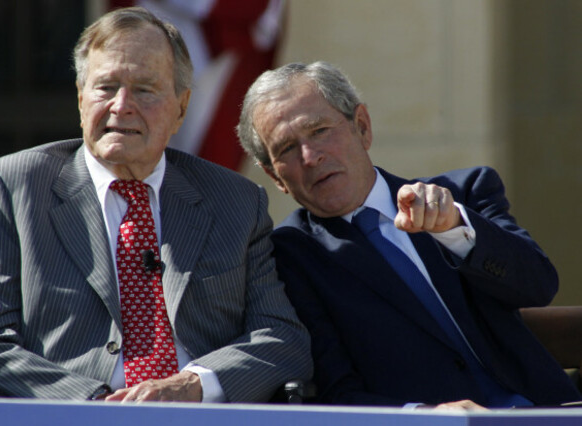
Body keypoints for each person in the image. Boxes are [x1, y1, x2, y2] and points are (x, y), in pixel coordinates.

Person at [0, 7, 311, 403]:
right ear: (80, 97)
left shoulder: (235, 201)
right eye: (105, 87)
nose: (122, 105)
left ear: (181, 107)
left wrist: (193, 385)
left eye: (144, 89)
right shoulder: (9, 188)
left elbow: (281, 339)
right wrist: (99, 403)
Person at [236, 61, 582, 409]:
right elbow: (335, 391)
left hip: (543, 410)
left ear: (362, 127)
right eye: (286, 149)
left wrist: (455, 229)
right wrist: (424, 416)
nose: (310, 157)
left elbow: (539, 286)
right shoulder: (289, 257)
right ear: (275, 178)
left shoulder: (465, 192)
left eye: (319, 130)